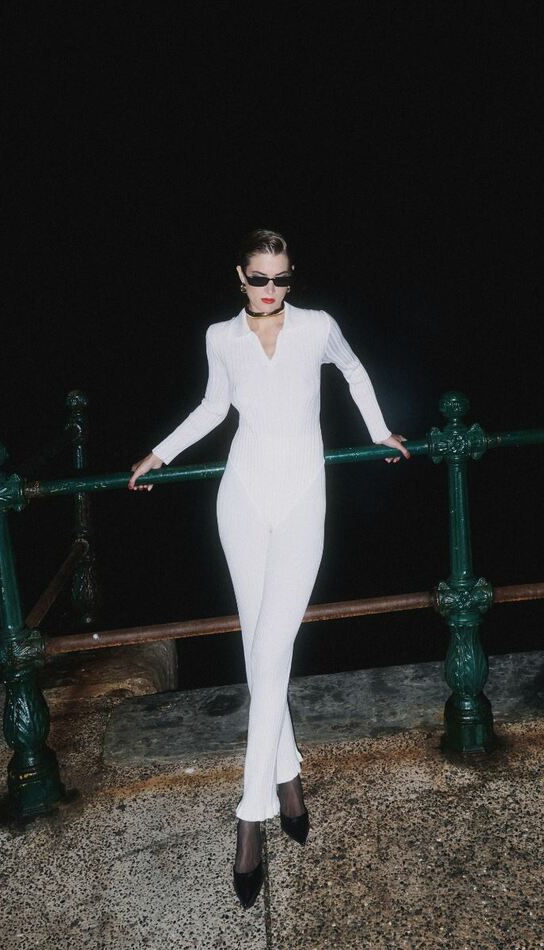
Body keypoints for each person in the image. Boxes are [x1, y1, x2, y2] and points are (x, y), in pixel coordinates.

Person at [128, 229, 410, 909]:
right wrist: (161, 453)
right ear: (240, 276)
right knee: (259, 649)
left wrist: (379, 430)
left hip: (303, 499)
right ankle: (287, 779)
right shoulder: (219, 337)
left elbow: (354, 371)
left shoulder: (317, 327)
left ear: (291, 278)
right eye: (259, 278)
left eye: (281, 278)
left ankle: (250, 815)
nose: (270, 290)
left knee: (271, 648)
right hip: (242, 499)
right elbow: (213, 406)